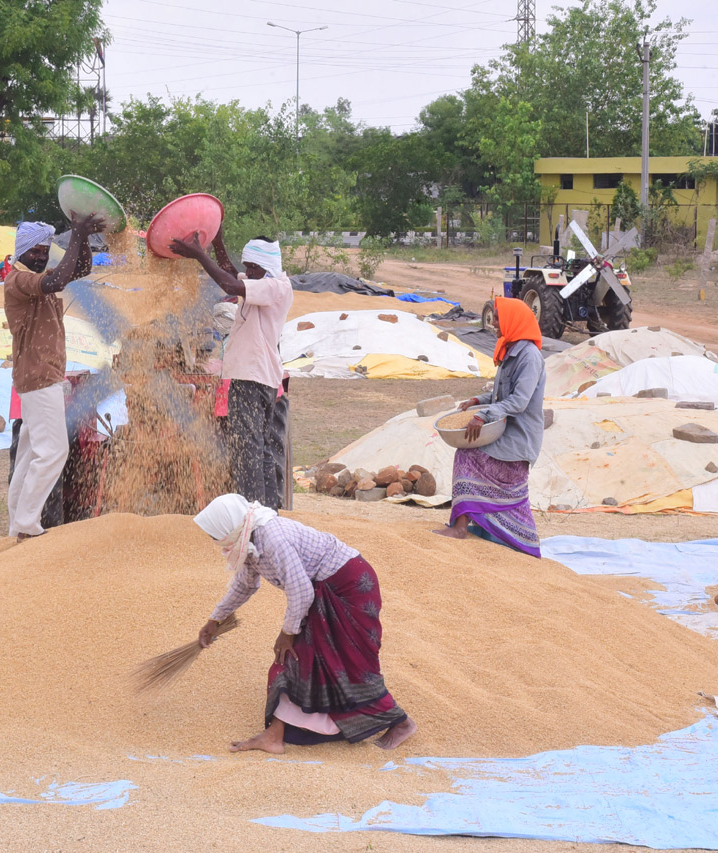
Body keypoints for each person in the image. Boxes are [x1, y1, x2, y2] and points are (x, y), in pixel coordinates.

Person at [194, 494, 417, 753]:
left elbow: (301, 593)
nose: (214, 541)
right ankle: (274, 735)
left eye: (214, 535)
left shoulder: (273, 539)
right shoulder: (249, 539)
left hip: (349, 588)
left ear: (228, 528)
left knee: (350, 664)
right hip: (323, 590)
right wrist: (215, 619)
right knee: (299, 659)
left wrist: (287, 632)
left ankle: (401, 722)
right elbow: (245, 585)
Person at [170, 230, 293, 509]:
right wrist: (218, 242)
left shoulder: (275, 287)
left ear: (268, 267)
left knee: (247, 451)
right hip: (254, 375)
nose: (247, 272)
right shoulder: (264, 281)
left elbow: (229, 285)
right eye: (247, 266)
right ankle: (267, 512)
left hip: (252, 376)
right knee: (260, 450)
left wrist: (200, 255)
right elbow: (231, 273)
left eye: (253, 268)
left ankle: (252, 516)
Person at [4, 214, 104, 541]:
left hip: (39, 378)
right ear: (22, 252)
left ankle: (16, 521)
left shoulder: (37, 277)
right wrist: (75, 233)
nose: (41, 256)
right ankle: (27, 524)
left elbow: (80, 270)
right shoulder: (18, 280)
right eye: (35, 251)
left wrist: (83, 237)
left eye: (46, 251)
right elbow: (58, 280)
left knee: (31, 454)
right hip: (39, 378)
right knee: (54, 452)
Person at [435, 295, 546, 557]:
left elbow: (518, 402)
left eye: (498, 318)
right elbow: (501, 396)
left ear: (513, 320)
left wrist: (483, 414)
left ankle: (461, 527)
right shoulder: (511, 351)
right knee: (468, 453)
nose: (494, 323)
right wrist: (477, 401)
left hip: (518, 439)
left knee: (467, 455)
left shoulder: (529, 357)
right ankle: (482, 527)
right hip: (505, 434)